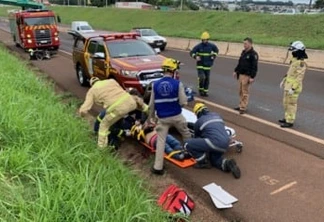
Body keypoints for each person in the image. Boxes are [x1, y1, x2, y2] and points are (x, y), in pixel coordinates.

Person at [149, 58, 192, 175]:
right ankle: (191, 154)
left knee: (161, 142)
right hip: (177, 116)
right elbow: (184, 102)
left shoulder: (155, 85)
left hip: (162, 118)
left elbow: (151, 104)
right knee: (186, 134)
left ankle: (158, 168)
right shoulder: (178, 84)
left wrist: (151, 118)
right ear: (173, 71)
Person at [78, 77, 148, 149]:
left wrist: (82, 115)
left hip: (116, 110)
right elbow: (121, 91)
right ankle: (153, 117)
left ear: (92, 84)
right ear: (99, 80)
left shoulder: (92, 91)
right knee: (142, 106)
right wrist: (124, 132)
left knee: (103, 126)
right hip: (130, 102)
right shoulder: (111, 81)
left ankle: (101, 149)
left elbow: (84, 109)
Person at [184, 103, 241, 179]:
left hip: (215, 143)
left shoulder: (199, 121)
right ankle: (227, 164)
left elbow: (197, 138)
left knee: (188, 143)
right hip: (226, 142)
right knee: (214, 159)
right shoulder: (217, 115)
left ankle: (203, 162)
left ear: (198, 113)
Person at [279, 41, 308, 128]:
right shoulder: (294, 60)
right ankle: (286, 117)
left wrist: (293, 88)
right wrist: (283, 80)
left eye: (294, 51)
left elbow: (299, 77)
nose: (293, 52)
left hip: (293, 88)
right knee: (285, 103)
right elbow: (290, 73)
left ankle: (290, 121)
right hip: (288, 86)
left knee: (291, 104)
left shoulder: (301, 63)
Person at [233, 37, 259, 114]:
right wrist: (235, 70)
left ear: (250, 44)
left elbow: (254, 67)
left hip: (247, 75)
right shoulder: (243, 52)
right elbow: (240, 63)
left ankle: (243, 107)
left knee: (245, 92)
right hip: (240, 74)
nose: (244, 45)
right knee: (240, 91)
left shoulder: (253, 54)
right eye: (243, 43)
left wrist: (252, 77)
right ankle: (241, 105)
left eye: (246, 43)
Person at [190, 31, 219, 97]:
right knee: (202, 77)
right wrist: (195, 56)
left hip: (208, 65)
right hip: (200, 65)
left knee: (207, 79)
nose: (204, 41)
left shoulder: (211, 46)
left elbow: (216, 50)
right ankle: (200, 90)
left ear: (208, 39)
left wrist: (214, 56)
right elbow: (192, 52)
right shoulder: (198, 46)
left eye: (206, 40)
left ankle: (205, 92)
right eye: (203, 40)